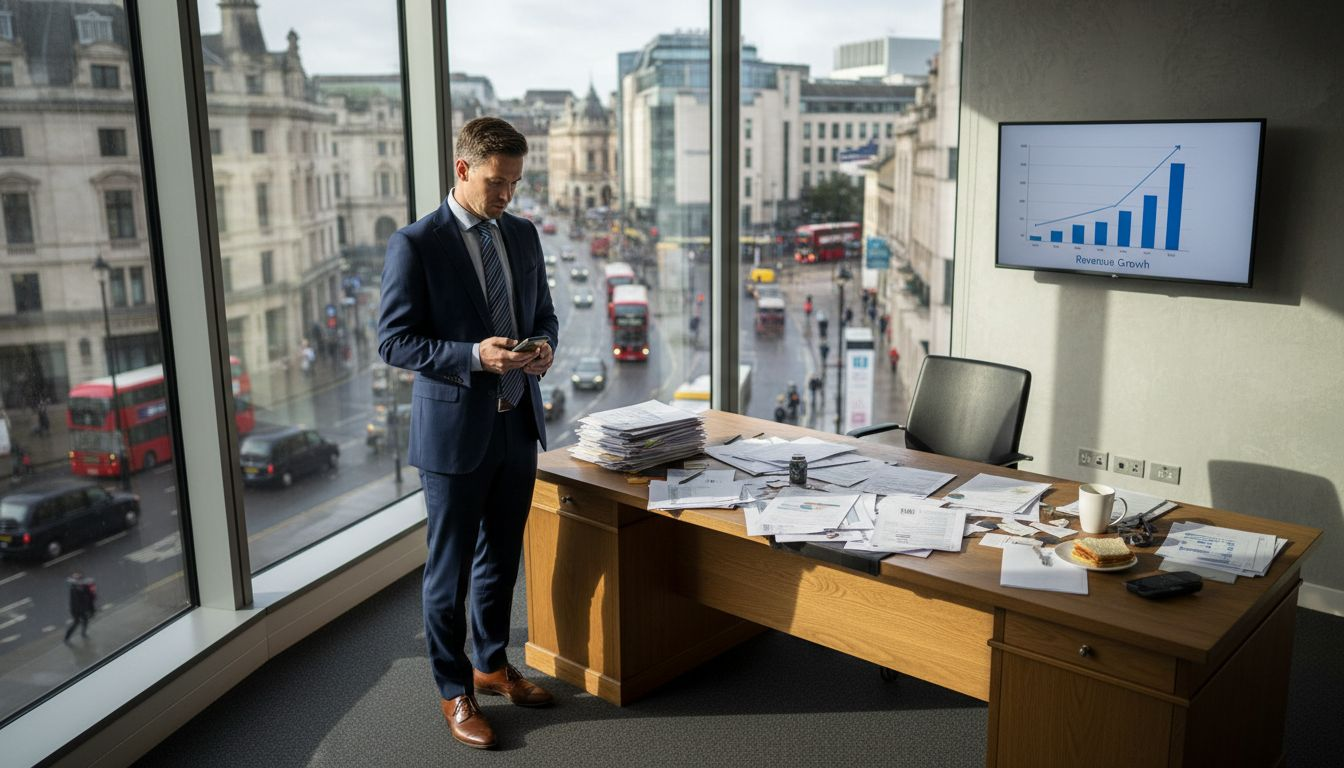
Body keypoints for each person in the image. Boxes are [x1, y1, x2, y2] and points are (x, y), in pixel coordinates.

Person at [378, 117, 558, 750]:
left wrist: (543, 350)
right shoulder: (416, 244)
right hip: (454, 435)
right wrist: (473, 356)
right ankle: (454, 691)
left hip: (516, 422)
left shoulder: (525, 234)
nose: (507, 194)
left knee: (500, 561)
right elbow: (394, 342)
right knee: (449, 571)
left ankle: (491, 662)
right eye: (496, 182)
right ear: (462, 169)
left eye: (514, 182)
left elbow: (544, 314)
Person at [64, 572, 96, 642]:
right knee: (77, 622)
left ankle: (83, 633)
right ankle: (67, 637)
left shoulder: (79, 587)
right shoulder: (75, 589)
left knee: (84, 621)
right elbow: (81, 599)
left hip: (79, 609)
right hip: (77, 610)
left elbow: (89, 596)